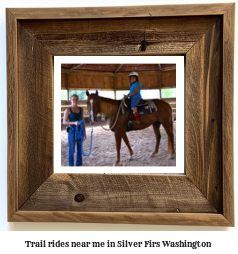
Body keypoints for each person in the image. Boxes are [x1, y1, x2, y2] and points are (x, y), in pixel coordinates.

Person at [63, 94, 86, 166]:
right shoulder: (68, 110)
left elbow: (83, 121)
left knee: (79, 150)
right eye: (73, 99)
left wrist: (84, 133)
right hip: (72, 131)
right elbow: (64, 122)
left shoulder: (81, 109)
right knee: (71, 150)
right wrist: (74, 123)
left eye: (76, 99)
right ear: (71, 100)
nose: (75, 101)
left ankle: (78, 166)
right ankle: (71, 167)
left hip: (80, 131)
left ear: (78, 100)